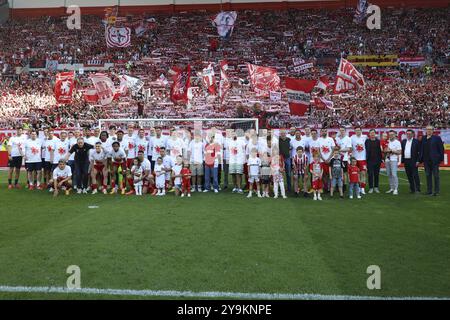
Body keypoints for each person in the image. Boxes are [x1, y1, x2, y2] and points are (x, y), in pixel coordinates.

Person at [420, 125, 444, 196]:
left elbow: (441, 149)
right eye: (427, 129)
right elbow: (422, 149)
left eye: (430, 129)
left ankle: (436, 191)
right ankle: (429, 190)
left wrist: (440, 159)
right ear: (426, 131)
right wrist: (421, 159)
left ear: (433, 131)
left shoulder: (437, 138)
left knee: (436, 176)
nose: (429, 131)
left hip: (434, 161)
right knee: (428, 175)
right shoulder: (423, 138)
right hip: (426, 161)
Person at [401, 129, 421, 194]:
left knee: (415, 175)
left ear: (413, 134)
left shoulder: (416, 141)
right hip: (406, 160)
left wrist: (418, 161)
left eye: (409, 134)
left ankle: (418, 189)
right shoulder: (403, 141)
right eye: (407, 134)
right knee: (409, 175)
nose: (408, 135)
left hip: (413, 160)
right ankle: (412, 189)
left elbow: (419, 152)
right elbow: (402, 151)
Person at [351, 127, 367, 195]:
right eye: (356, 130)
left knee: (363, 174)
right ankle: (356, 187)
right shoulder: (352, 137)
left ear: (361, 131)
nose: (357, 131)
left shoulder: (365, 137)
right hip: (355, 158)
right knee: (355, 174)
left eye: (359, 130)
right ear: (354, 131)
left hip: (363, 158)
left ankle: (362, 188)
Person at [365, 129, 382, 193]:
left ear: (375, 134)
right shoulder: (367, 141)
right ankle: (371, 188)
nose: (372, 134)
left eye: (373, 133)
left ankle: (376, 187)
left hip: (377, 160)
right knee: (370, 174)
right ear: (369, 134)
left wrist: (381, 159)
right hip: (369, 161)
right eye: (371, 133)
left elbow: (380, 151)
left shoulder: (378, 141)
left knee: (376, 174)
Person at [385, 130, 402, 195]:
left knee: (394, 174)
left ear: (395, 135)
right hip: (387, 159)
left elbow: (399, 152)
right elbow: (385, 150)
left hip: (394, 159)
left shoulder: (397, 142)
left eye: (392, 134)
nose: (391, 136)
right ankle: (391, 188)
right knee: (389, 174)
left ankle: (396, 189)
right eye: (390, 134)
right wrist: (386, 150)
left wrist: (392, 151)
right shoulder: (387, 142)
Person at [336, 127, 352, 191]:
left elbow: (349, 148)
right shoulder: (337, 139)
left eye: (343, 130)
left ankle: (344, 185)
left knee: (345, 172)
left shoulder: (348, 138)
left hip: (344, 158)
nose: (341, 131)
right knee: (337, 172)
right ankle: (338, 185)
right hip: (337, 158)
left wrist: (340, 150)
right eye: (340, 130)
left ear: (345, 131)